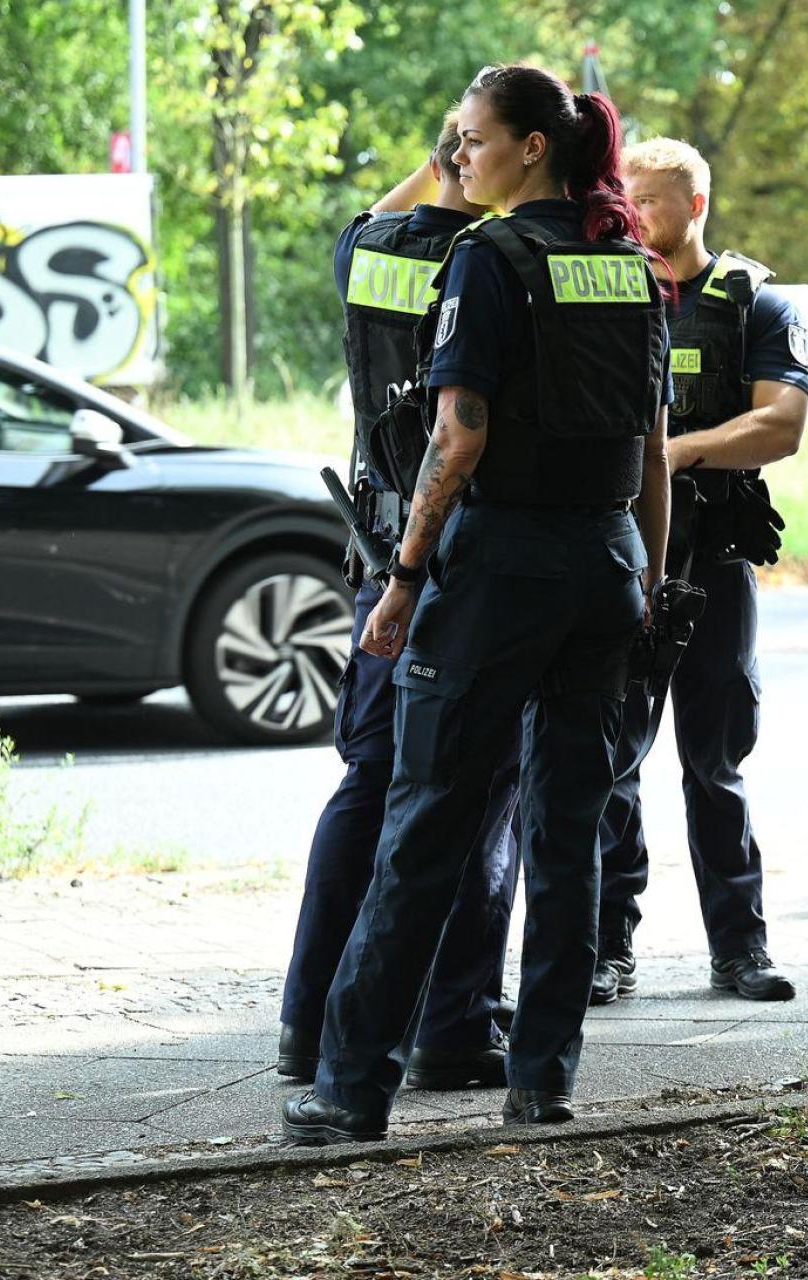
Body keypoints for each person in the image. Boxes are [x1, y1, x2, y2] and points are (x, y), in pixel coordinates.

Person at [281, 64, 671, 1144]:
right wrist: (645, 573)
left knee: (427, 821)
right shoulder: (627, 266)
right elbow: (652, 451)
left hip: (496, 565)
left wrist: (404, 574)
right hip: (605, 559)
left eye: (477, 140)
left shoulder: (488, 259)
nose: (464, 160)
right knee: (569, 828)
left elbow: (460, 433)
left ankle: (349, 1087)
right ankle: (543, 1078)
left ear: (533, 146)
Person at [277, 116, 520, 1093]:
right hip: (461, 546)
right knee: (476, 785)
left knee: (370, 776)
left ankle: (306, 1017)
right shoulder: (498, 262)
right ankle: (455, 1026)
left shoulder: (369, 248)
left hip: (379, 544)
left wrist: (435, 155)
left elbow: (375, 213)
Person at [589, 138, 808, 1006]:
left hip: (714, 559)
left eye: (649, 200)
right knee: (611, 762)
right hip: (626, 561)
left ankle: (740, 951)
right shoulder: (605, 290)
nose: (633, 214)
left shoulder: (755, 300)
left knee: (715, 763)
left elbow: (782, 424)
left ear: (697, 206)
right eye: (624, 196)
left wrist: (673, 454)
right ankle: (607, 947)